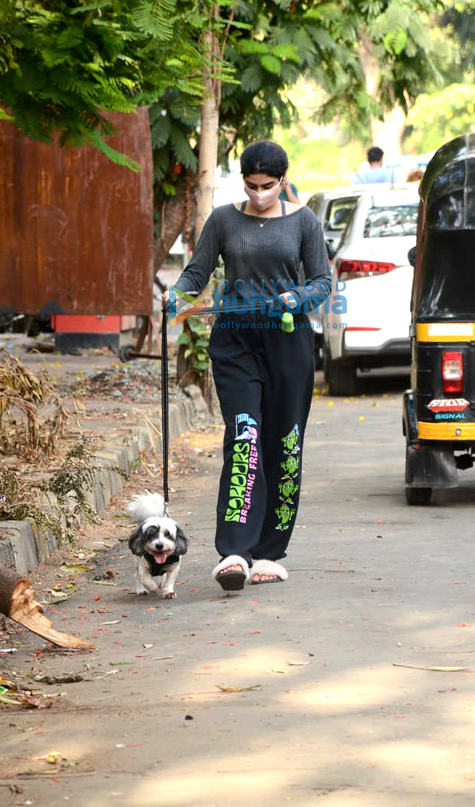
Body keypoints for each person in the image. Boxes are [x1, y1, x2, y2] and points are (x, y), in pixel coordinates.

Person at [162, 140, 331, 590]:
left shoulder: (304, 220)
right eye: (252, 185)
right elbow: (197, 272)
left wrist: (298, 296)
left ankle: (271, 552)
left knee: (285, 444)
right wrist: (176, 294)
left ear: (283, 179)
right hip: (235, 340)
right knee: (245, 437)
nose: (259, 195)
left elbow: (321, 281)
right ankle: (235, 551)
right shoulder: (223, 219)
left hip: (287, 339)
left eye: (268, 186)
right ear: (243, 181)